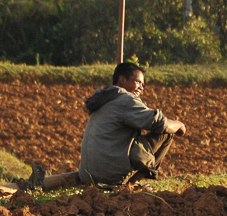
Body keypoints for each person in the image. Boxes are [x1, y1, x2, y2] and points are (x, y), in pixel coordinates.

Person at [22, 61, 187, 190]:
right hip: (110, 176)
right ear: (122, 79)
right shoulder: (125, 99)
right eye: (138, 82)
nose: (141, 87)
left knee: (137, 141)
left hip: (88, 175)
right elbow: (157, 123)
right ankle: (130, 184)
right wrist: (179, 124)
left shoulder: (104, 97)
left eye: (143, 84)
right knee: (166, 132)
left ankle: (128, 182)